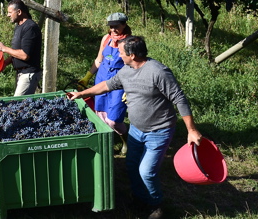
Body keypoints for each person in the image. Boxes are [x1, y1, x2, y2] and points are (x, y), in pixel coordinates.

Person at [69, 36, 203, 219]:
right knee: (131, 166)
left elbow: (179, 98)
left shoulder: (158, 72)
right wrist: (82, 93)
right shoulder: (126, 71)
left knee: (146, 172)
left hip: (159, 130)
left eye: (122, 52)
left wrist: (192, 129)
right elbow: (107, 85)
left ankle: (156, 205)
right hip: (136, 130)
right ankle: (140, 198)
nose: (119, 55)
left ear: (132, 55)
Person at [79, 12, 131, 140]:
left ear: (124, 25)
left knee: (114, 119)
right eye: (111, 26)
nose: (113, 29)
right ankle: (107, 141)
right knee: (101, 114)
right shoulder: (106, 39)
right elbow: (99, 60)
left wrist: (130, 89)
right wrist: (87, 77)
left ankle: (125, 139)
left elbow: (134, 67)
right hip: (101, 79)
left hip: (119, 84)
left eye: (116, 26)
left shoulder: (130, 42)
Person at [0, 0, 42, 96]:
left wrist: (4, 48)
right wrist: (5, 63)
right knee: (20, 105)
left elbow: (24, 55)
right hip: (21, 73)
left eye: (10, 12)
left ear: (19, 12)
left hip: (28, 74)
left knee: (18, 106)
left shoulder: (30, 27)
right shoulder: (19, 26)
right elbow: (17, 52)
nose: (8, 15)